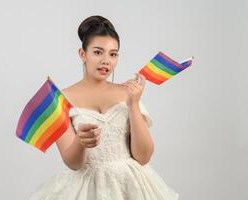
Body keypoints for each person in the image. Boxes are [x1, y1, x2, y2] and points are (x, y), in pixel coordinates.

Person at [28, 15, 179, 200]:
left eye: (113, 54)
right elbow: (73, 163)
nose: (106, 60)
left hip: (131, 186)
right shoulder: (61, 99)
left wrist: (133, 104)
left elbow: (144, 156)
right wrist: (81, 142)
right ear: (83, 54)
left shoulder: (128, 93)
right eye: (98, 52)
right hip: (87, 189)